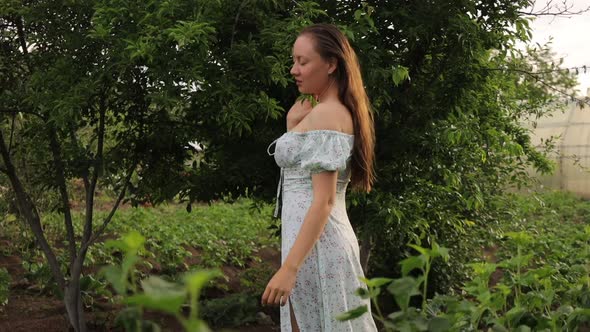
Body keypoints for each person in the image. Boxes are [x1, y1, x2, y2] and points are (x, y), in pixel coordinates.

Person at [263, 23, 378, 332]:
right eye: (294, 61)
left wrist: (289, 269)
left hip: (321, 247)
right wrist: (292, 124)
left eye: (303, 61)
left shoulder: (328, 114)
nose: (293, 69)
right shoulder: (322, 111)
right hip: (309, 243)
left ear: (330, 64)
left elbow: (323, 201)